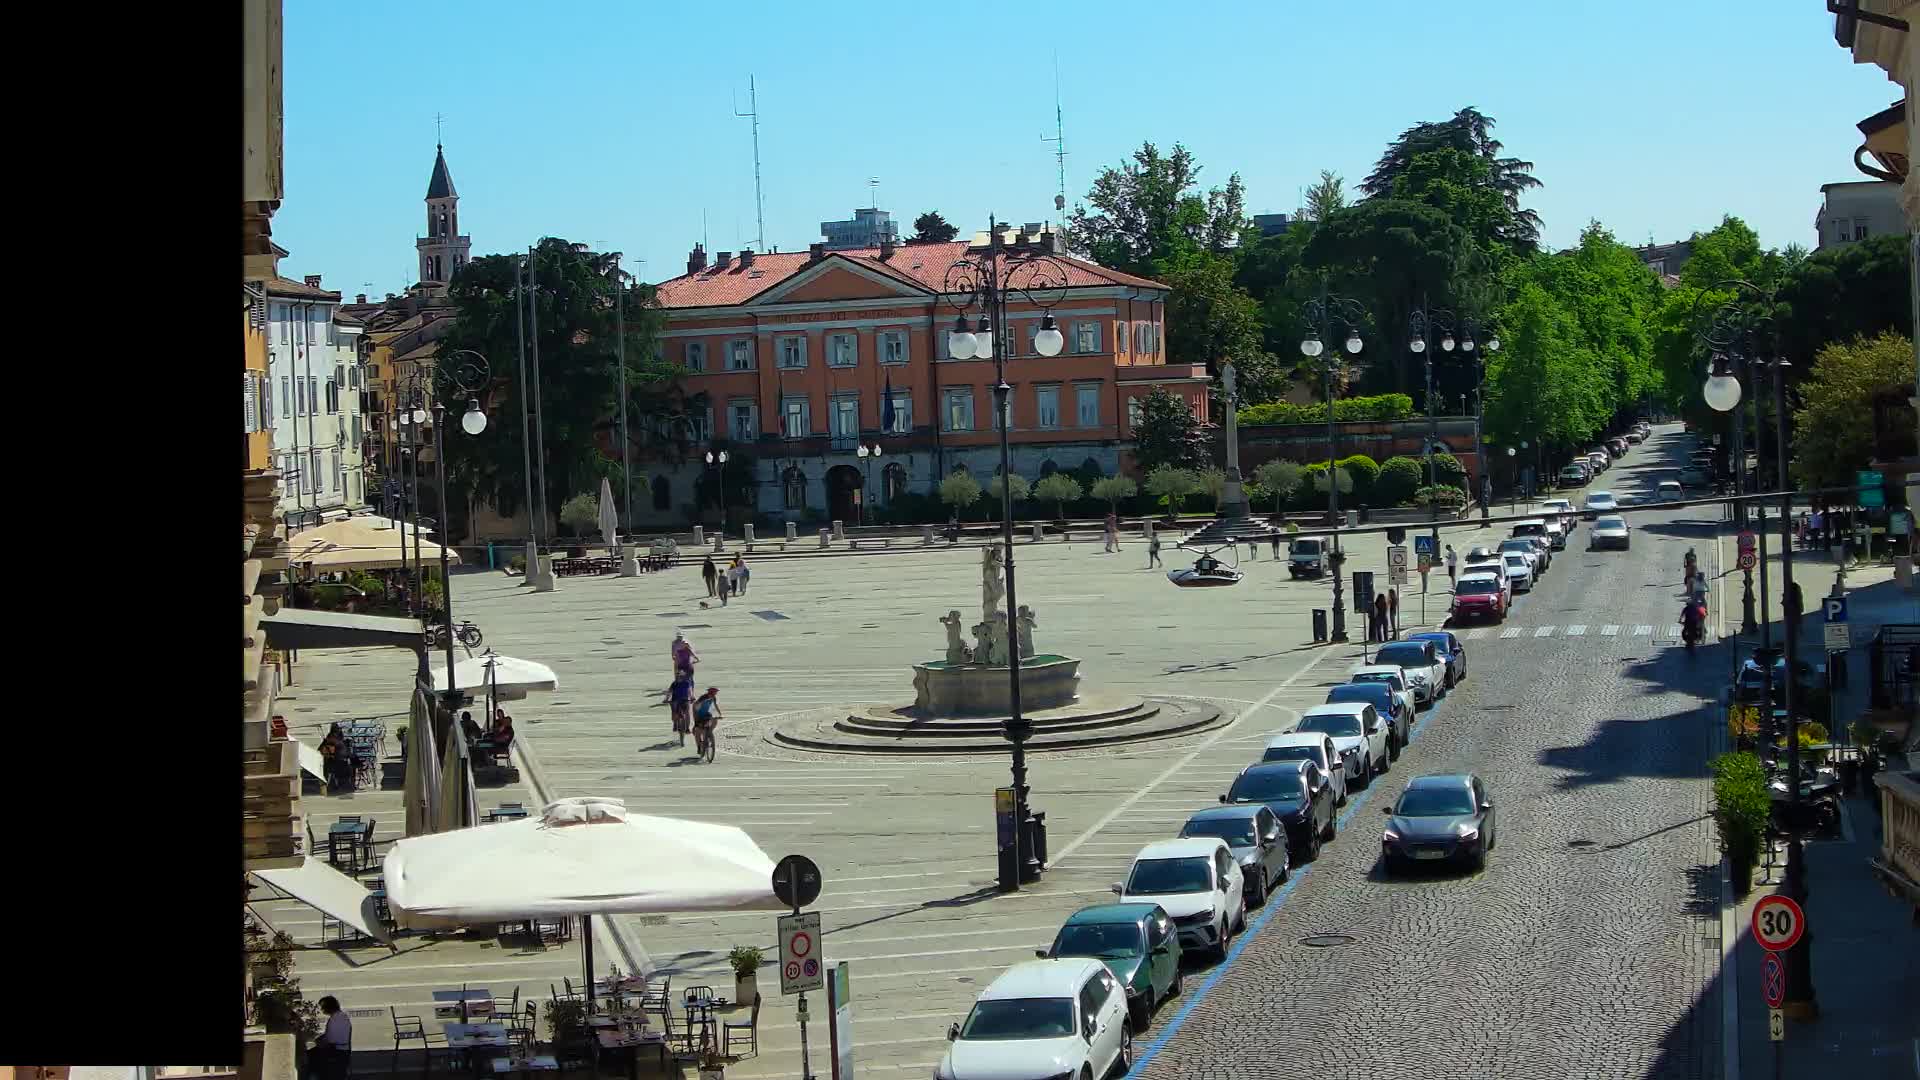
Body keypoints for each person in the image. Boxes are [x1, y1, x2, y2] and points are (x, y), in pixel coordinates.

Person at [307, 995, 351, 1080]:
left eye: (323, 1007)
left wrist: (319, 1041)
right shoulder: (342, 1016)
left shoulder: (335, 1019)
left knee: (310, 1057)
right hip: (340, 1051)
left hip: (336, 1051)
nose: (322, 1009)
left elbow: (330, 1039)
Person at [318, 724, 353, 791]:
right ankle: (331, 784)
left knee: (329, 769)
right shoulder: (338, 741)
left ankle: (328, 784)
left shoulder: (335, 742)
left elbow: (322, 750)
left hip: (336, 763)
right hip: (338, 762)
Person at [692, 687, 722, 763]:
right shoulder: (703, 698)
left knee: (714, 721)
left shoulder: (713, 698)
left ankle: (709, 734)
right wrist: (696, 718)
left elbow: (715, 705)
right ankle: (699, 747)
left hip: (707, 714)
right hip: (699, 715)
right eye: (715, 692)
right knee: (697, 731)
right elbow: (695, 706)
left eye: (716, 693)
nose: (715, 694)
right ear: (710, 692)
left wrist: (720, 714)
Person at [669, 668, 694, 747]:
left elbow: (690, 691)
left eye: (680, 675)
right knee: (673, 710)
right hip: (675, 700)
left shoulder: (686, 683)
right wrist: (666, 699)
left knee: (686, 712)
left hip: (684, 700)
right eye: (678, 675)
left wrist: (692, 697)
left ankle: (686, 728)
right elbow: (669, 692)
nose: (679, 677)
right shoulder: (674, 684)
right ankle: (675, 722)